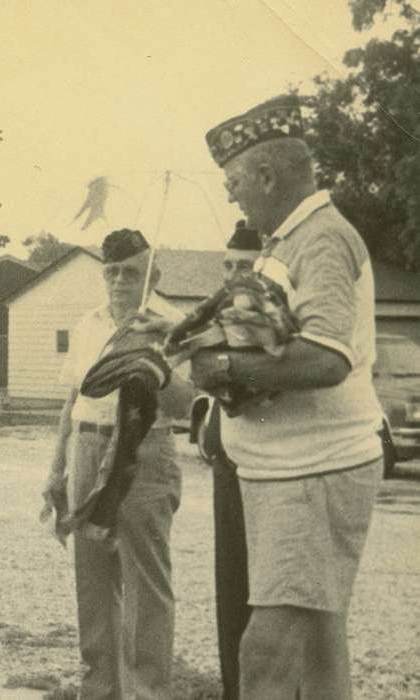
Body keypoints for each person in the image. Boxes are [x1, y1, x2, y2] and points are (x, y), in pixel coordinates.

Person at [196, 95, 384, 700]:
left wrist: (223, 363)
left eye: (234, 182)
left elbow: (329, 357)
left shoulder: (322, 240)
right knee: (320, 655)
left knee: (267, 654)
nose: (232, 196)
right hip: (287, 472)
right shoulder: (287, 241)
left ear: (267, 175)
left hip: (313, 470)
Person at [43, 228, 194, 700]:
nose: (119, 281)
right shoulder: (89, 323)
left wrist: (154, 368)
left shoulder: (172, 325)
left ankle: (148, 692)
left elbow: (187, 401)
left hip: (143, 452)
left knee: (146, 585)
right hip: (88, 448)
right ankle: (100, 691)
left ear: (154, 275)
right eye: (111, 272)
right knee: (93, 581)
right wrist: (55, 468)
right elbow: (74, 398)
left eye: (131, 272)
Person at [196, 221, 262, 700]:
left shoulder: (273, 318)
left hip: (267, 466)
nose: (235, 274)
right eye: (228, 265)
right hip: (226, 459)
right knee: (231, 588)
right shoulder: (214, 315)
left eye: (244, 264)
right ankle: (233, 690)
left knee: (269, 595)